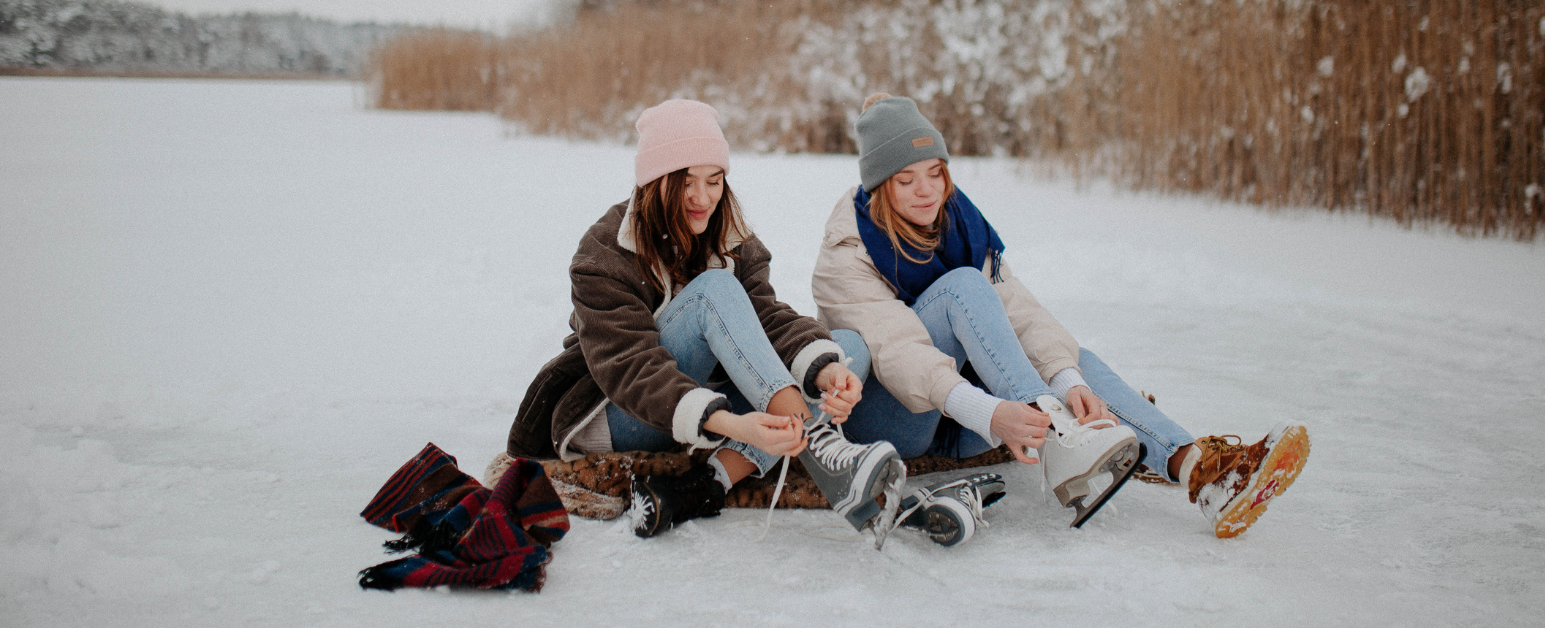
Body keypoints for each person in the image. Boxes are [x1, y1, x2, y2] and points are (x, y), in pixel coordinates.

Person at [811, 94, 1311, 538]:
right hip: (899, 418)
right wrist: (994, 412)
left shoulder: (959, 222)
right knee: (964, 287)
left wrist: (1068, 380)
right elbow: (901, 354)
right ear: (880, 186)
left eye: (935, 173)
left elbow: (1019, 313)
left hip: (967, 425)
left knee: (1074, 362)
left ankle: (1199, 472)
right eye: (906, 179)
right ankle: (1059, 440)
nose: (927, 191)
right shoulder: (848, 248)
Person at [496, 100, 905, 539]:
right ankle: (822, 446)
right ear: (655, 183)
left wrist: (826, 371)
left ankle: (704, 484)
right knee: (716, 290)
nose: (702, 197)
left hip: (702, 399)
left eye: (714, 181)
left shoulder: (732, 237)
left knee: (846, 349)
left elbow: (765, 317)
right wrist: (731, 423)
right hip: (617, 410)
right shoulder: (604, 253)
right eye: (684, 183)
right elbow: (632, 370)